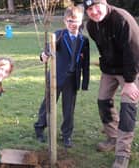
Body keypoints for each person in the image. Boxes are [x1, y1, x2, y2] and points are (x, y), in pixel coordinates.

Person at [83, 0, 139, 167]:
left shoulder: (122, 19)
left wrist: (130, 82)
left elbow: (134, 51)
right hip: (110, 70)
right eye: (89, 9)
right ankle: (113, 138)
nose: (94, 12)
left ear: (105, 3)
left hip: (131, 69)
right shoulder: (92, 26)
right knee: (103, 101)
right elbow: (104, 48)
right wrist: (105, 67)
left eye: (96, 6)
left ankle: (122, 153)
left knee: (128, 107)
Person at [34, 5, 90, 148]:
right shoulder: (58, 35)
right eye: (70, 21)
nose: (73, 24)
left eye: (75, 20)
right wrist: (44, 56)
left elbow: (86, 63)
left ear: (81, 21)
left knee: (69, 108)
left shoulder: (84, 40)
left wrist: (85, 83)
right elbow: (47, 51)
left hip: (72, 80)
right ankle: (40, 128)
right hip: (55, 77)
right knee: (48, 104)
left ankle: (66, 135)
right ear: (65, 21)